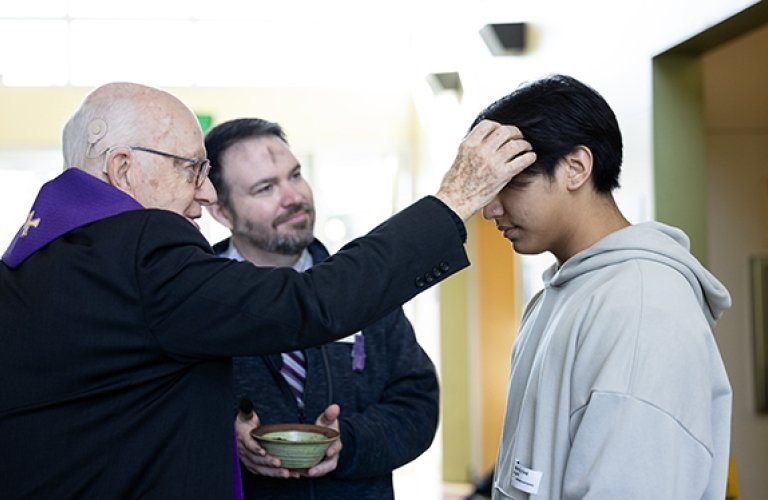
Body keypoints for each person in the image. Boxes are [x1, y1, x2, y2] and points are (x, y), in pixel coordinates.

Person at [0, 81, 536, 498]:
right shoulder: (142, 250)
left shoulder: (45, 258)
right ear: (123, 170)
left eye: (294, 175)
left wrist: (350, 442)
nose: (202, 193)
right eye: (191, 170)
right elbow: (314, 302)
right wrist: (453, 200)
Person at [474, 74, 732, 499]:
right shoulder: (560, 293)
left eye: (511, 183)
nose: (490, 209)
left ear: (576, 168)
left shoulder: (643, 306)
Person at [203, 117, 440, 499]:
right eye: (265, 188)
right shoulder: (198, 299)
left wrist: (347, 442)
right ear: (221, 212)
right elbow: (156, 417)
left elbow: (418, 406)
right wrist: (226, 441)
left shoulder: (360, 288)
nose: (293, 196)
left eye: (295, 175)